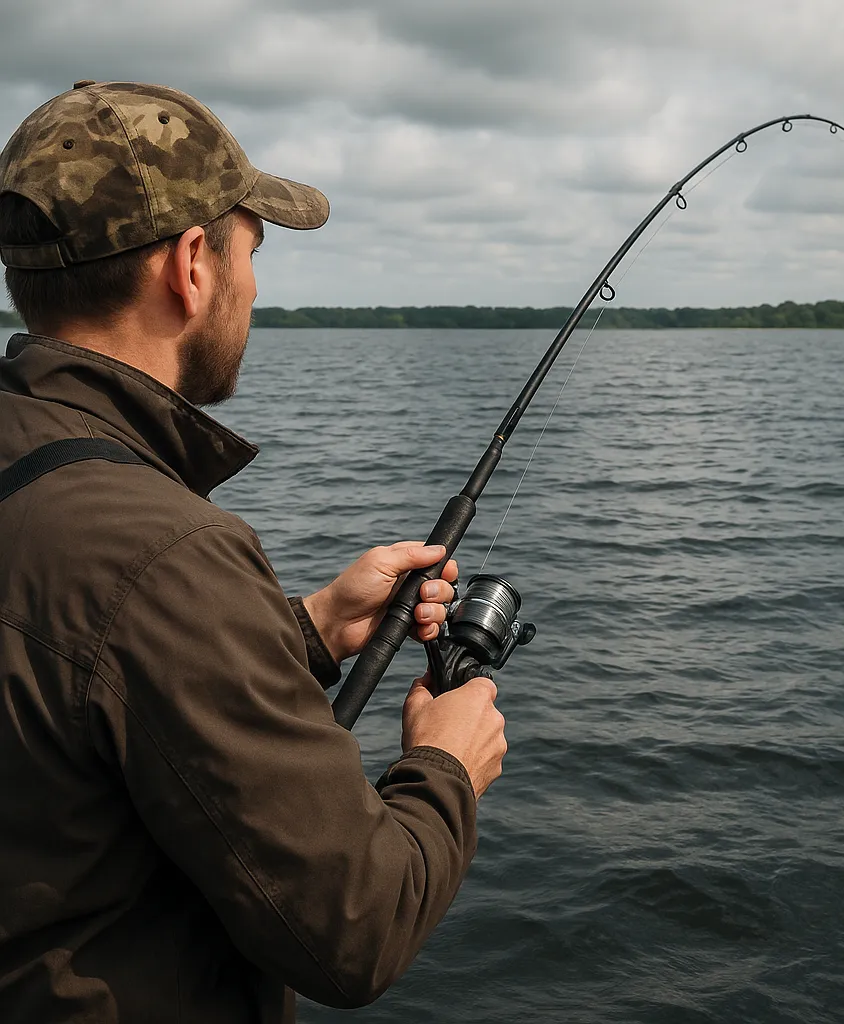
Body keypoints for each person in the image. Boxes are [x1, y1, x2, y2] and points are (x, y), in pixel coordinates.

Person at [0, 81, 507, 1023]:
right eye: (252, 251)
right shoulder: (165, 554)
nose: (258, 287)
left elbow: (65, 683)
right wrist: (443, 767)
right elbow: (355, 927)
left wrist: (306, 632)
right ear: (192, 266)